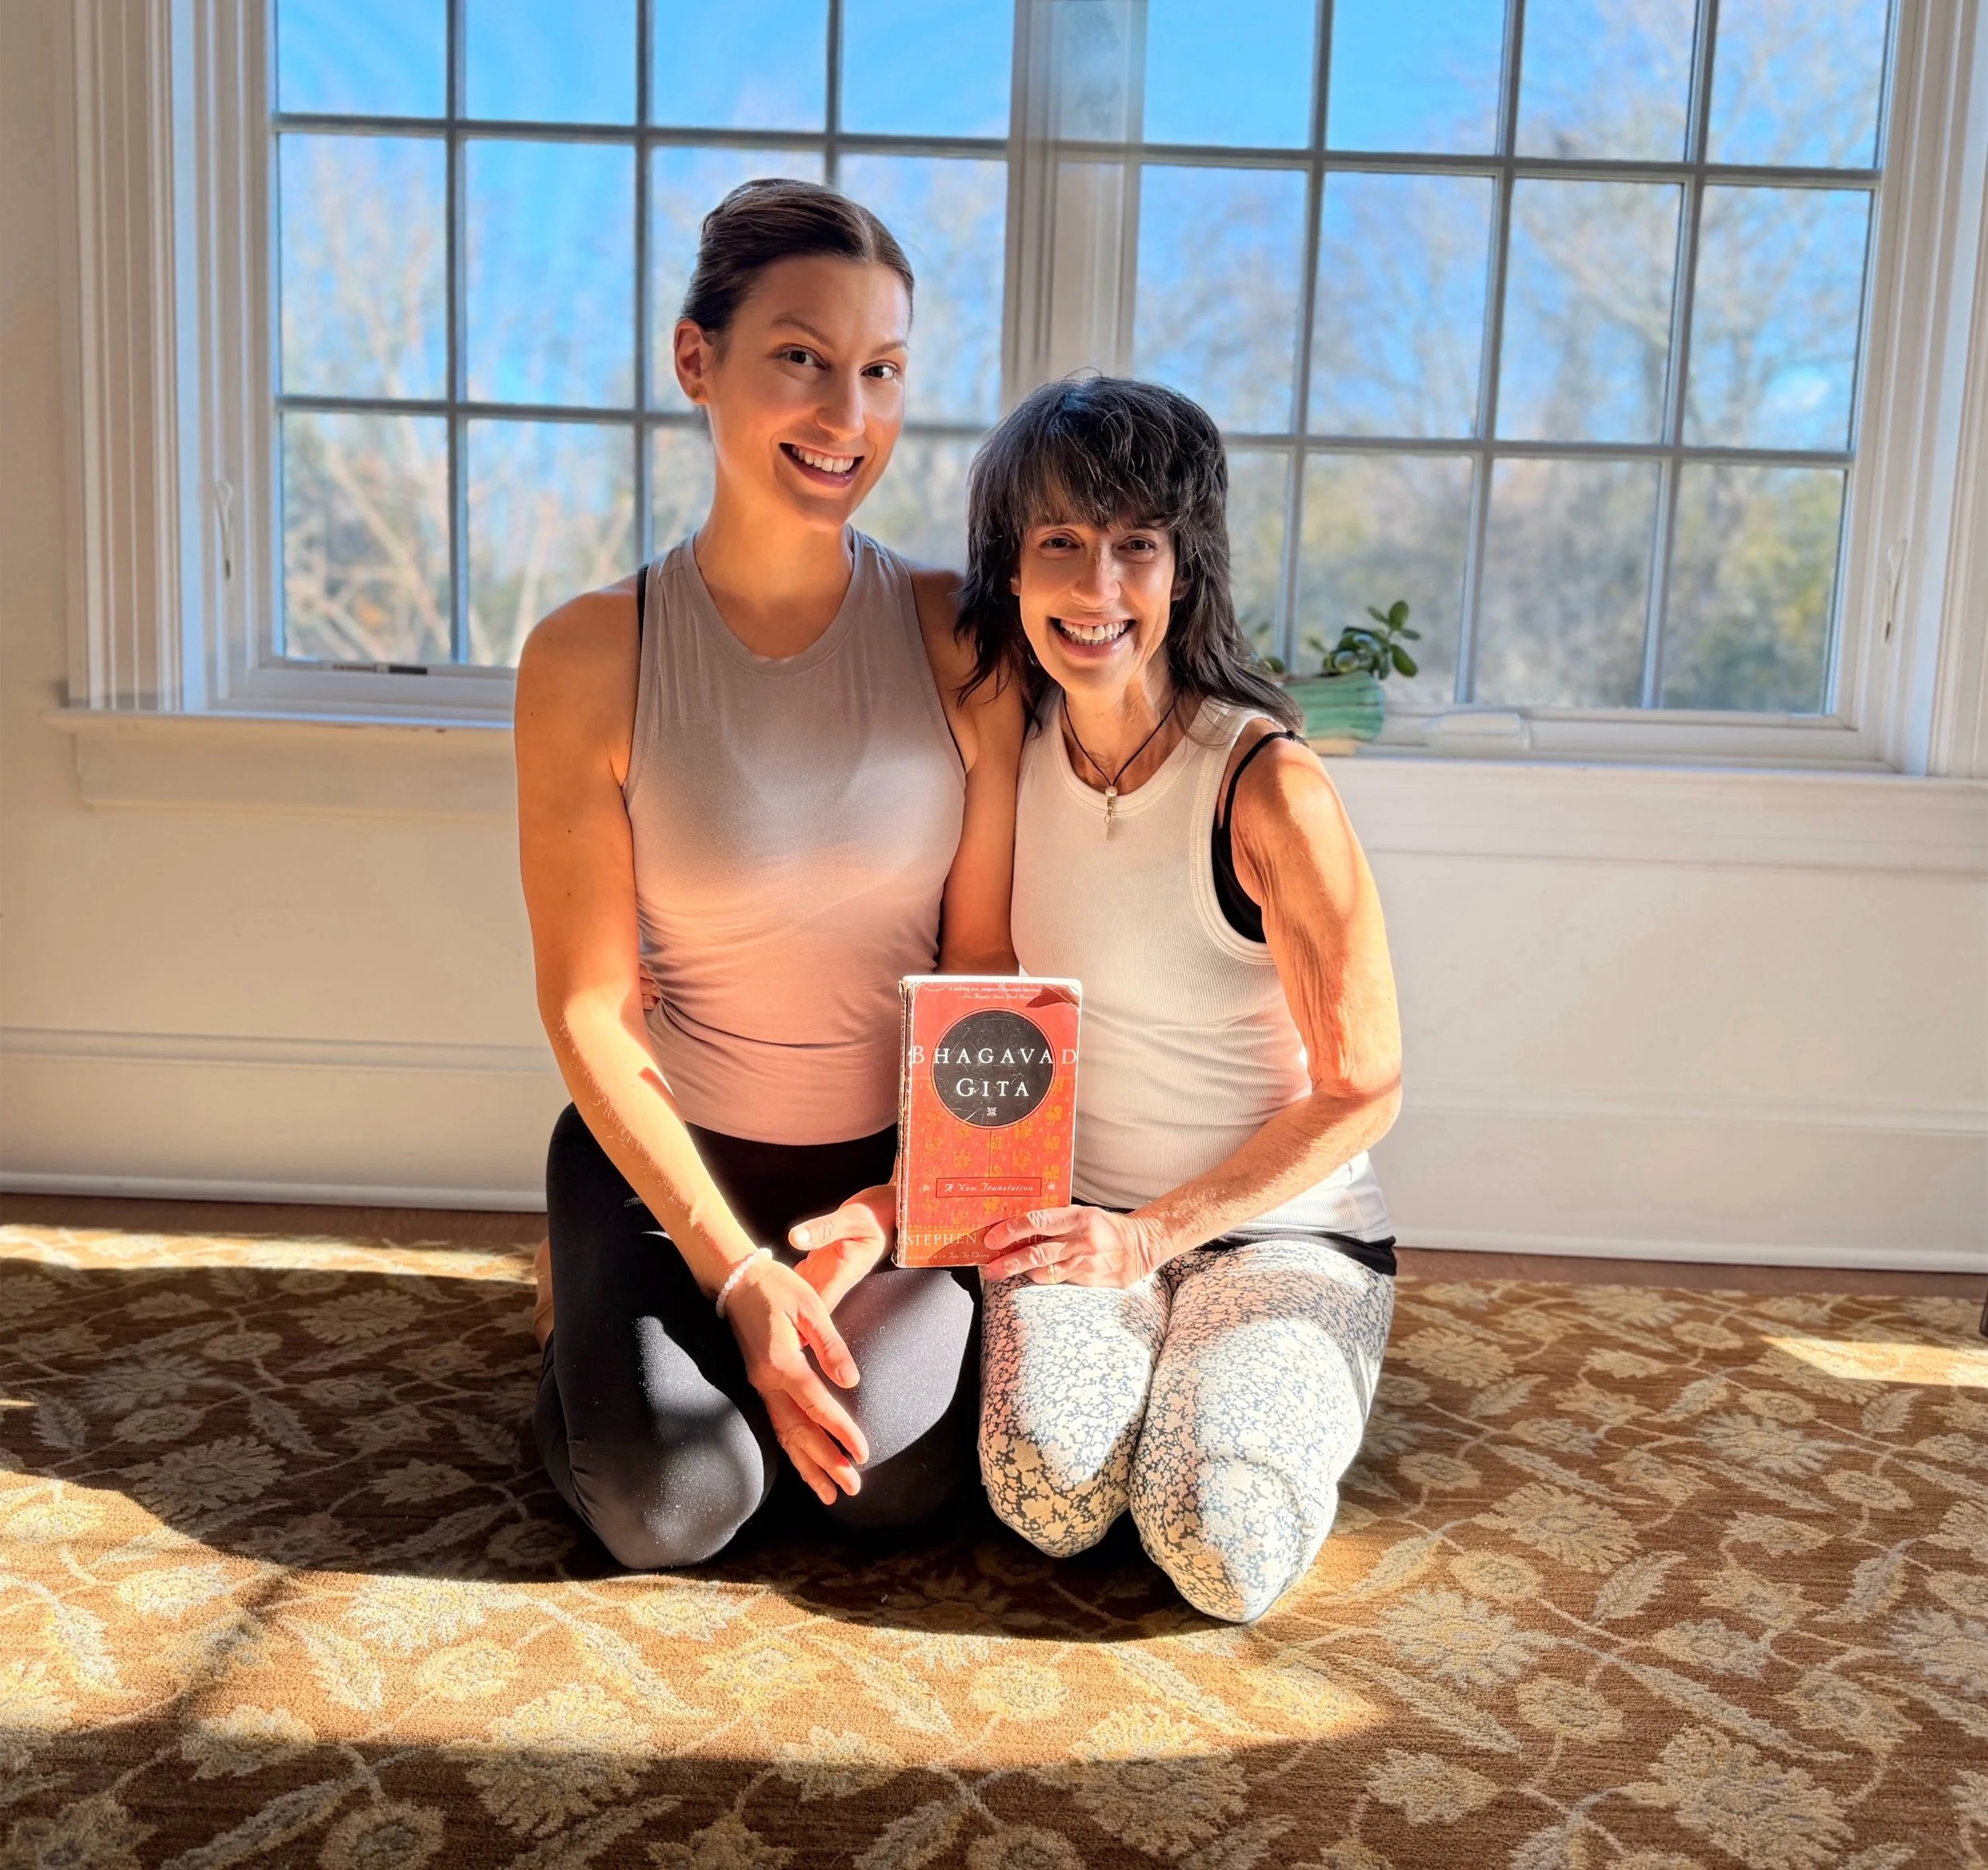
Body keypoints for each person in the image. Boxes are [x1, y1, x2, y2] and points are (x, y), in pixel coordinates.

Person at [798, 376, 1402, 1622]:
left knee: (1223, 1543)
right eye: (1061, 544)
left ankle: (1256, 1388)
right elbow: (982, 1007)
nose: (1098, 587)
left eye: (1136, 546)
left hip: (1284, 1232)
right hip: (1072, 1221)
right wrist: (900, 1200)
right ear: (1012, 571)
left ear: (1186, 569)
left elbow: (1365, 1090)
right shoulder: (1012, 755)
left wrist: (1151, 1240)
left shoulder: (1269, 787)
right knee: (1051, 1496)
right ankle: (1179, 1394)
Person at [514, 179, 1021, 1569]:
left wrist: (901, 1208)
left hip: (883, 1174)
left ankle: (680, 1344)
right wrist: (736, 1273)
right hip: (672, 1156)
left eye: (883, 370)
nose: (848, 415)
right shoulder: (588, 657)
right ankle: (587, 1306)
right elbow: (590, 1007)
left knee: (892, 1486)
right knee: (675, 1505)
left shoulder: (960, 636)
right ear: (698, 359)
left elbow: (983, 972)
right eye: (801, 357)